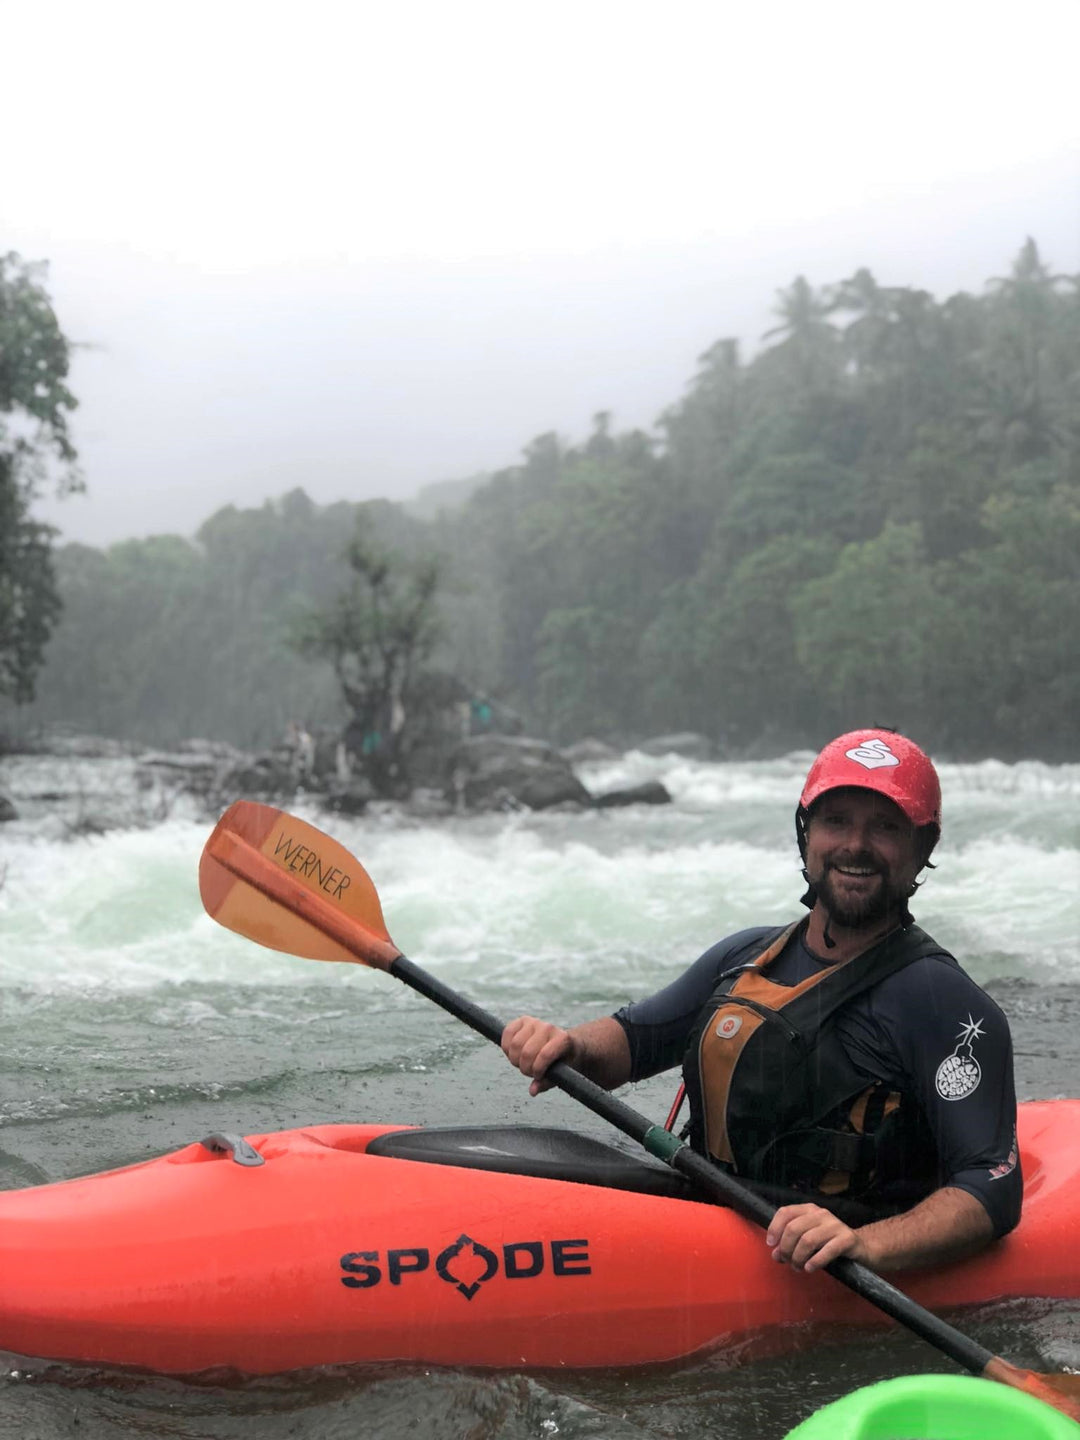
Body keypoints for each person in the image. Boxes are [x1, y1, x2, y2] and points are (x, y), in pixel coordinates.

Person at [501, 729, 1021, 1276]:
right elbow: (633, 1040)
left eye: (885, 827)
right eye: (836, 821)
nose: (855, 845)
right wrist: (567, 1045)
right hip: (704, 1223)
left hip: (831, 1259)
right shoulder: (745, 956)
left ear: (922, 848)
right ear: (806, 834)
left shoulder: (946, 1005)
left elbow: (991, 1185)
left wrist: (866, 1244)